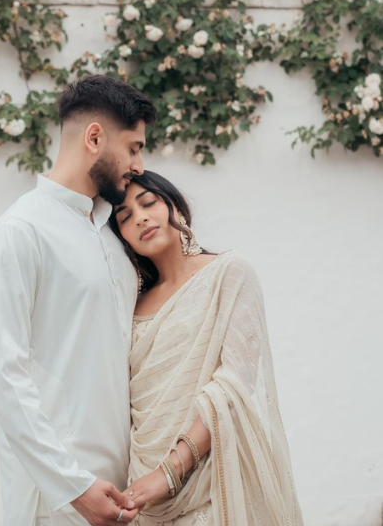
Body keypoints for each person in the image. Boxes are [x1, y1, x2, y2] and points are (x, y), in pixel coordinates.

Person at [0, 75, 157, 526]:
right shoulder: (19, 233)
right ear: (95, 138)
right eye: (133, 147)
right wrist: (73, 487)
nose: (138, 163)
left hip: (120, 488)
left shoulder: (112, 236)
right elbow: (3, 372)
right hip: (57, 497)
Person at [109, 171, 303, 526]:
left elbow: (233, 386)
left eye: (148, 202)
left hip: (212, 480)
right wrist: (149, 478)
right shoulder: (129, 305)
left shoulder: (228, 274)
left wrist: (170, 471)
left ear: (176, 209)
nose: (140, 217)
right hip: (142, 485)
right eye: (124, 217)